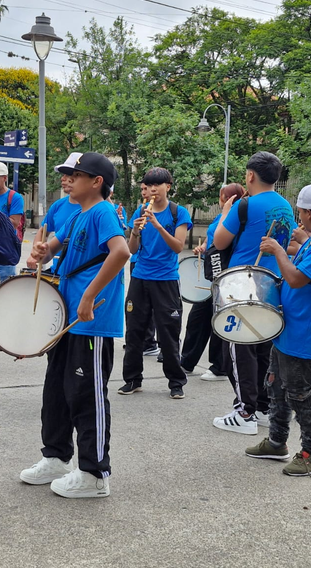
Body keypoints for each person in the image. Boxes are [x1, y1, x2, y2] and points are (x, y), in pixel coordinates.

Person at [20, 152, 130, 498]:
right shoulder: (78, 214)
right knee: (56, 392)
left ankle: (95, 474)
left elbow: (121, 252)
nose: (69, 179)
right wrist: (41, 252)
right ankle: (55, 457)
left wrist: (89, 296)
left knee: (86, 397)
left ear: (96, 182)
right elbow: (51, 248)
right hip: (69, 319)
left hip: (90, 321)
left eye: (76, 175)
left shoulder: (102, 212)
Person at [245, 183, 311, 477]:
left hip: (306, 334)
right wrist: (301, 241)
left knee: (301, 394)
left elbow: (297, 279)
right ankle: (277, 442)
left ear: (310, 214)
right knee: (276, 386)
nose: (299, 217)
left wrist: (278, 250)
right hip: (290, 329)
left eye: (300, 212)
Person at [212, 151, 296, 435]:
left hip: (242, 283)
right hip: (272, 282)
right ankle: (261, 406)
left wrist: (225, 213)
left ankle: (244, 412)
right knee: (262, 347)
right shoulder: (285, 206)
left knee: (238, 346)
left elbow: (220, 241)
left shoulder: (244, 205)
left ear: (250, 175)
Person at [119, 167, 193, 399]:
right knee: (134, 331)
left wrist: (158, 225)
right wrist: (136, 231)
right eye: (149, 185)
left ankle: (176, 382)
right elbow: (131, 250)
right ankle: (132, 379)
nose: (152, 190)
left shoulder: (178, 213)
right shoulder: (141, 210)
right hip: (141, 277)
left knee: (169, 333)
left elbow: (178, 247)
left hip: (166, 279)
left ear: (167, 187)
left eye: (157, 185)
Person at [180, 183, 246, 381]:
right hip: (212, 274)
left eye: (221, 196)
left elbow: (224, 241)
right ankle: (186, 361)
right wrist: (203, 247)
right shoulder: (221, 217)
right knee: (197, 318)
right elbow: (214, 238)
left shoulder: (234, 217)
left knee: (218, 320)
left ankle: (219, 367)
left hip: (224, 274)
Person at [26, 153, 83, 271]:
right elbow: (43, 231)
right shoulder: (58, 205)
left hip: (83, 276)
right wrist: (36, 252)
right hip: (58, 271)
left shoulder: (96, 210)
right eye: (63, 174)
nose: (63, 178)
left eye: (69, 174)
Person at [124, 183, 159, 356]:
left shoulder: (171, 211)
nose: (145, 192)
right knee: (135, 307)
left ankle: (150, 341)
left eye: (147, 189)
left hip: (157, 268)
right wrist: (136, 230)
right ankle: (139, 340)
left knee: (154, 307)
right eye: (143, 189)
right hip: (137, 262)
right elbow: (132, 244)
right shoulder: (140, 210)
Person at [0, 161, 24, 281]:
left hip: (5, 246)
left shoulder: (15, 197)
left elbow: (13, 223)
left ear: (4, 178)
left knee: (7, 283)